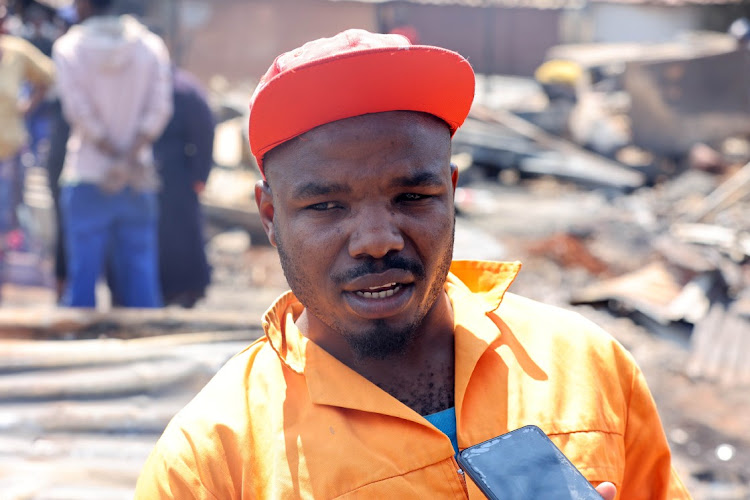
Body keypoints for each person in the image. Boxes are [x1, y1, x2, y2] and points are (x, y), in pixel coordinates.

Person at [135, 29, 691, 499]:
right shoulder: (212, 461)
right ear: (270, 215)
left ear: (451, 192)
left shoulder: (586, 366)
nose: (376, 240)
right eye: (326, 206)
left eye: (413, 196)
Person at [52, 0, 172, 308]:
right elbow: (159, 110)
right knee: (141, 273)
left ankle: (80, 353)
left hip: (87, 173)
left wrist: (110, 153)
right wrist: (127, 158)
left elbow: (78, 112)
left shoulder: (69, 47)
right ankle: (150, 351)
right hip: (137, 176)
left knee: (82, 277)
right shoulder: (150, 46)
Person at [0, 2, 54, 300]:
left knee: (5, 216)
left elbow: (48, 77)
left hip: (8, 149)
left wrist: (27, 107)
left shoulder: (17, 53)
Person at [154, 66, 215, 308]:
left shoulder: (183, 89)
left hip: (178, 173)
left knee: (181, 232)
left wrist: (201, 173)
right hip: (149, 173)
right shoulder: (149, 84)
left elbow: (205, 131)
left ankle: (187, 289)